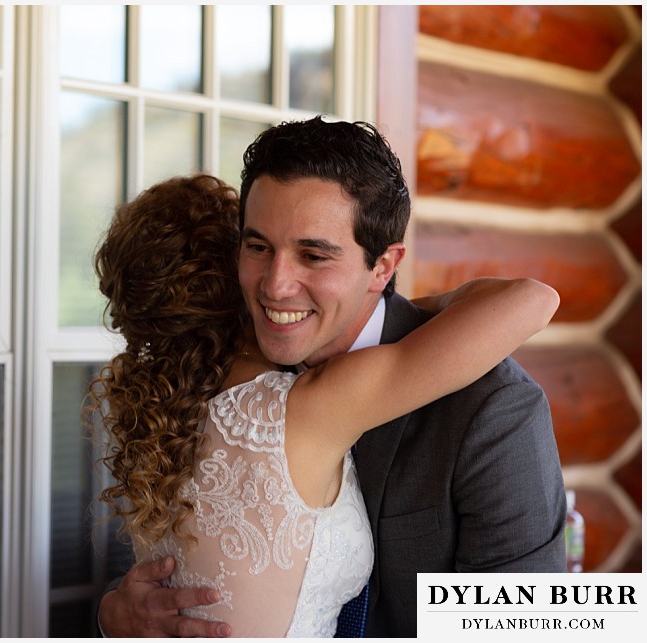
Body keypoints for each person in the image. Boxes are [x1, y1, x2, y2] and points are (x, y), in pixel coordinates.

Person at [93, 159, 562, 636]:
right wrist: (114, 610)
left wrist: (393, 307)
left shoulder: (157, 412)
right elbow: (178, 578)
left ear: (382, 266)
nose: (277, 284)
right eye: (258, 247)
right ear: (236, 275)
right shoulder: (297, 404)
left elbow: (524, 624)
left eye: (313, 255)